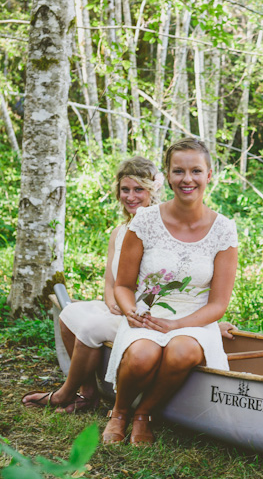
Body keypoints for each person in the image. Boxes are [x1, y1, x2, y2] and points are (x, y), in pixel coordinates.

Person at [103, 138, 239, 445]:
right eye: (179, 171)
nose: (187, 179)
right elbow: (123, 285)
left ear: (209, 174)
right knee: (141, 355)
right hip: (147, 312)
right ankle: (119, 411)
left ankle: (145, 413)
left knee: (182, 351)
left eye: (196, 171)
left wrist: (178, 325)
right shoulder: (145, 221)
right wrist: (131, 311)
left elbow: (219, 304)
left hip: (195, 320)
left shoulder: (224, 229)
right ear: (168, 175)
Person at [21, 156, 162, 412]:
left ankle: (65, 392)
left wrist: (127, 306)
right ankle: (88, 393)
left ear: (152, 191)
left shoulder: (162, 229)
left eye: (138, 189)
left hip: (143, 313)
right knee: (70, 313)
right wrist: (110, 300)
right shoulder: (119, 232)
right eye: (125, 189)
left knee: (91, 325)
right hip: (118, 305)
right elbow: (111, 279)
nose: (131, 196)